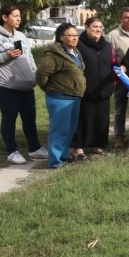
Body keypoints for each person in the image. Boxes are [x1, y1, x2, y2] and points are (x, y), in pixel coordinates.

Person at [0, 4, 48, 164]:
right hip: (6, 86)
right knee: (9, 118)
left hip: (26, 85)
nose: (19, 18)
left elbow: (29, 57)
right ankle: (11, 151)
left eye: (19, 16)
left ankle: (35, 149)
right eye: (15, 16)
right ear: (4, 17)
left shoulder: (21, 36)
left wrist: (34, 74)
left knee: (30, 118)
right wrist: (5, 55)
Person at [36, 23, 86, 169]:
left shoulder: (75, 51)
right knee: (59, 130)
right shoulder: (54, 54)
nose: (74, 38)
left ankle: (63, 156)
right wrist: (49, 88)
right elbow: (42, 74)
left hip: (74, 97)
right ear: (61, 37)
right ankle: (55, 161)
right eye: (70, 35)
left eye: (76, 35)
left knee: (69, 130)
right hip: (59, 98)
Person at [72, 17, 115, 159]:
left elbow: (113, 62)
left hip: (103, 89)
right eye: (95, 27)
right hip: (85, 90)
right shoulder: (78, 44)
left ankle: (99, 145)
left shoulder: (107, 46)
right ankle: (79, 148)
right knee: (82, 119)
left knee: (101, 119)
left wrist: (120, 67)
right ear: (86, 27)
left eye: (100, 27)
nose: (98, 30)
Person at [105, 6, 129, 148]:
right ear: (120, 19)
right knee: (120, 108)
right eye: (126, 17)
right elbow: (108, 58)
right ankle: (119, 136)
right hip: (121, 78)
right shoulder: (113, 35)